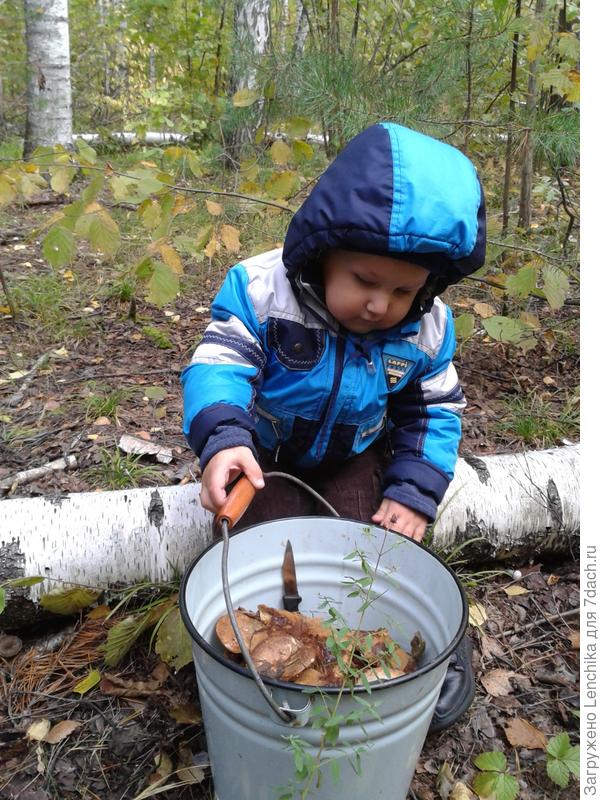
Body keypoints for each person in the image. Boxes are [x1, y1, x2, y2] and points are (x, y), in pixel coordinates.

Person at [181, 122, 484, 731]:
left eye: (402, 290)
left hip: (354, 454)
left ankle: (415, 649)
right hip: (263, 456)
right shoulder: (264, 291)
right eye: (365, 282)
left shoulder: (424, 327)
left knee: (377, 545)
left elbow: (434, 409)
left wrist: (414, 491)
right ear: (324, 253)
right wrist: (224, 440)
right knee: (259, 551)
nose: (380, 305)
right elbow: (219, 364)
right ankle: (254, 663)